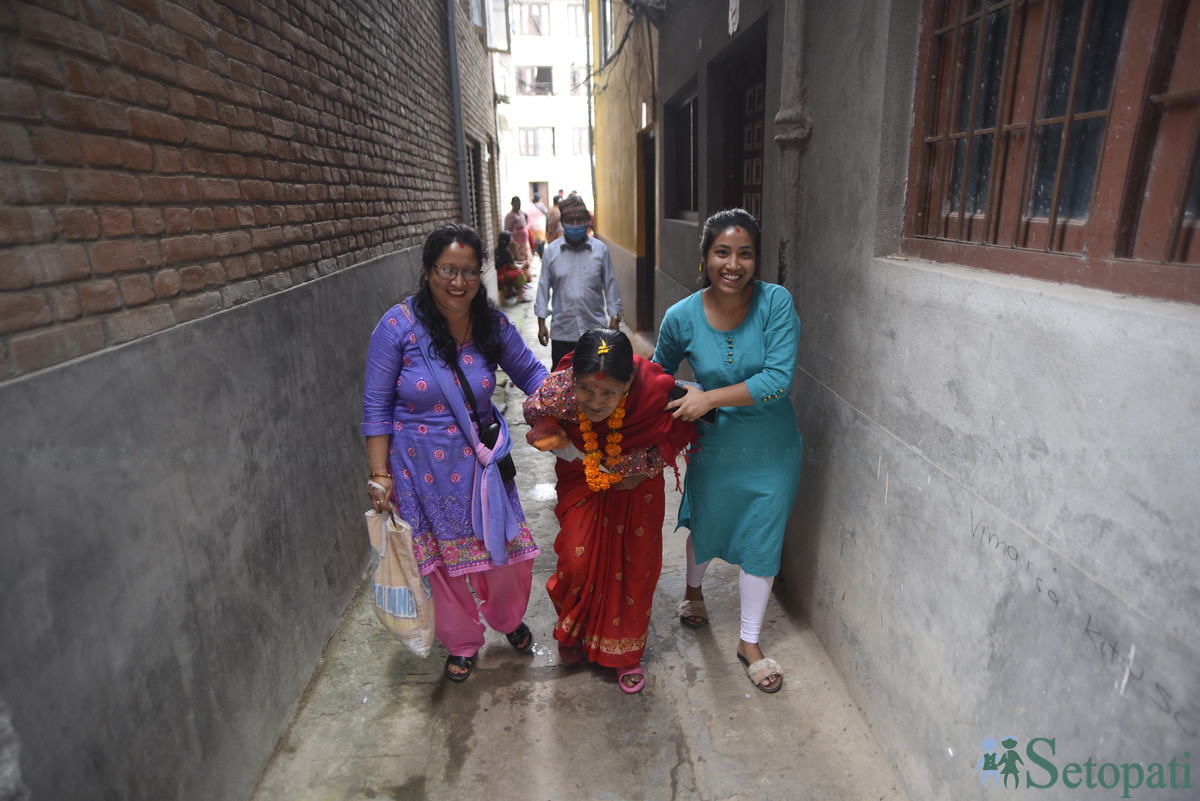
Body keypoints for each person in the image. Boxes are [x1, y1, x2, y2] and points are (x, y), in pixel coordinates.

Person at [362, 223, 551, 683]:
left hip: (481, 466)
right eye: (448, 269)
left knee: (505, 555)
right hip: (417, 470)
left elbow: (533, 377)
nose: (459, 282)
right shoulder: (397, 327)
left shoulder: (491, 323)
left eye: (468, 271)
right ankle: (462, 642)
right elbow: (376, 407)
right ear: (428, 271)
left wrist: (579, 399)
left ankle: (505, 620)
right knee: (442, 566)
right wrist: (380, 474)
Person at [653, 208, 803, 694]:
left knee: (763, 537)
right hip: (712, 447)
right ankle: (693, 590)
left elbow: (778, 380)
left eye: (745, 254)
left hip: (771, 449)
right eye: (722, 252)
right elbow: (656, 377)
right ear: (705, 257)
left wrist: (709, 397)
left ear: (756, 260)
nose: (733, 264)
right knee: (708, 519)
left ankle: (749, 641)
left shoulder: (776, 304)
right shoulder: (681, 316)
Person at [523, 328, 695, 694]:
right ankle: (576, 629)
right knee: (575, 560)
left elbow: (682, 427)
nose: (595, 402)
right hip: (580, 479)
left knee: (635, 566)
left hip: (638, 487)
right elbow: (533, 411)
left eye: (608, 392)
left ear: (628, 383)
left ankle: (625, 654)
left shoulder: (653, 394)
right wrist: (565, 446)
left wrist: (640, 470)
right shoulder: (561, 389)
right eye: (586, 388)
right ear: (574, 380)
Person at [534, 193, 622, 368]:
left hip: (595, 330)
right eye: (570, 220)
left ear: (587, 220)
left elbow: (611, 285)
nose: (575, 224)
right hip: (562, 332)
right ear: (563, 221)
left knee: (596, 380)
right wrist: (541, 322)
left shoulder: (600, 251)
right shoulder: (551, 252)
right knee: (562, 384)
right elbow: (543, 288)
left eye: (580, 219)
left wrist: (615, 317)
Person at [504, 196, 534, 281]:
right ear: (512, 204)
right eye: (516, 204)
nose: (518, 206)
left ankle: (526, 280)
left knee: (526, 262)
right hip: (516, 245)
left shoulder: (521, 214)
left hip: (525, 244)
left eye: (519, 204)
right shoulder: (510, 216)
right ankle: (521, 281)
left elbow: (525, 223)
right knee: (519, 262)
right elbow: (507, 230)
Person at [495, 230, 528, 302]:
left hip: (498, 275)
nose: (512, 240)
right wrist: (523, 265)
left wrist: (520, 263)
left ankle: (510, 292)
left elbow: (510, 263)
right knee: (519, 273)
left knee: (511, 270)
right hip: (500, 277)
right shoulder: (506, 251)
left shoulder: (497, 249)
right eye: (511, 238)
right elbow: (514, 267)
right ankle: (520, 298)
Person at [528, 192, 548, 258]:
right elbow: (546, 213)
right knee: (541, 243)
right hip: (540, 227)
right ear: (539, 199)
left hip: (532, 227)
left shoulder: (530, 206)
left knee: (534, 242)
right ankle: (541, 256)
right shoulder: (541, 205)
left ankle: (534, 253)